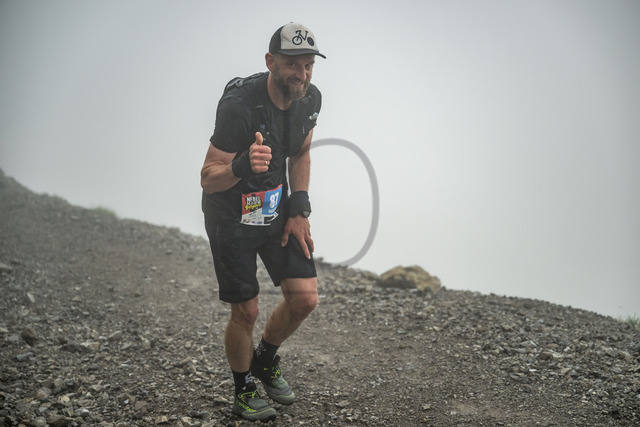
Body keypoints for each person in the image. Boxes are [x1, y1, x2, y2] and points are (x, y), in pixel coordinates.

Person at [200, 22, 326, 422]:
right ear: (270, 61)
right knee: (246, 312)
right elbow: (208, 177)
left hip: (275, 210)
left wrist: (299, 210)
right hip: (230, 218)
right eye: (293, 64)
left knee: (305, 298)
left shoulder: (310, 99)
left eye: (308, 65)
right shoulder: (239, 106)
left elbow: (300, 153)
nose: (302, 74)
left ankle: (265, 359)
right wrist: (241, 165)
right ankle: (243, 390)